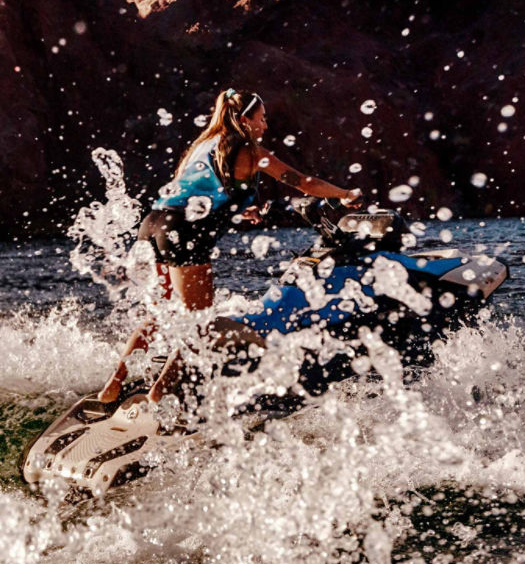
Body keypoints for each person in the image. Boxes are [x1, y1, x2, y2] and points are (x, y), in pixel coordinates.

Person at [99, 89, 362, 404]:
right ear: (244, 119)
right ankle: (158, 397)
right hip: (183, 232)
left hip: (153, 224)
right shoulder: (250, 152)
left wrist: (240, 209)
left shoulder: (202, 146)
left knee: (159, 313)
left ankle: (112, 386)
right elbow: (304, 183)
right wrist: (344, 194)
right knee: (199, 325)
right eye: (261, 119)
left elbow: (193, 193)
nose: (265, 126)